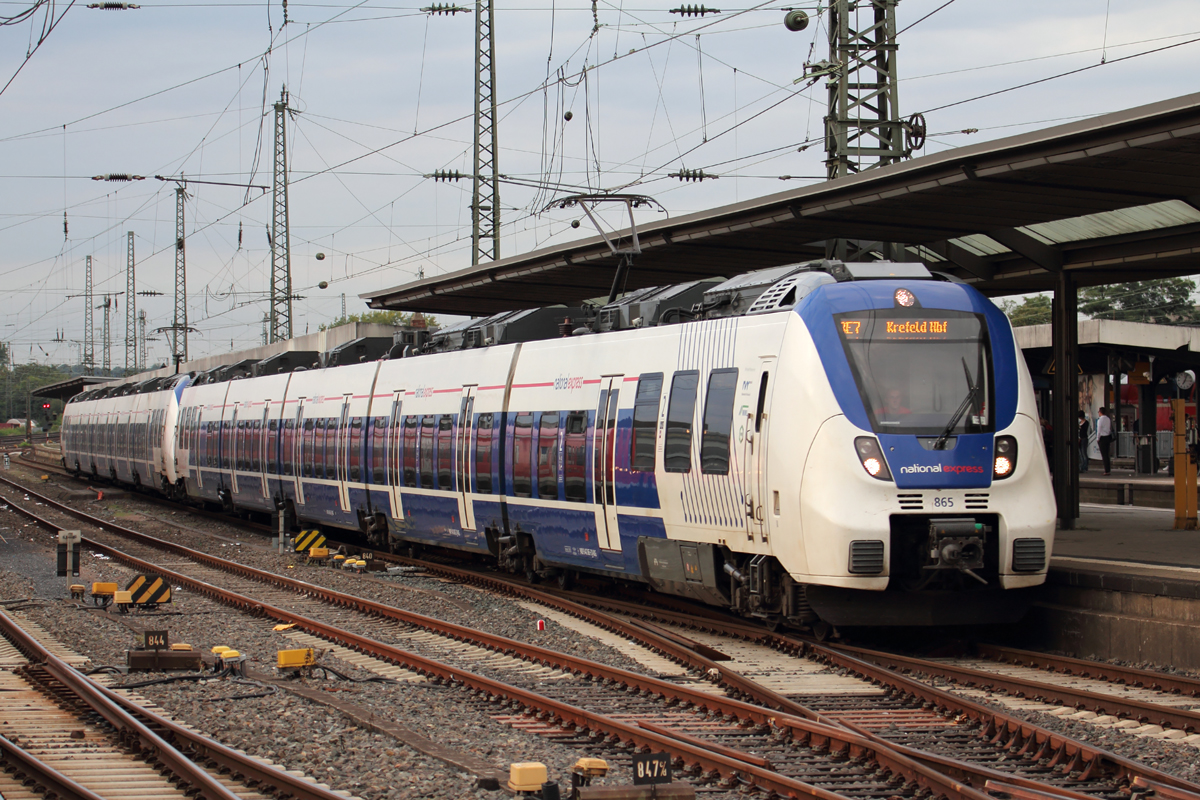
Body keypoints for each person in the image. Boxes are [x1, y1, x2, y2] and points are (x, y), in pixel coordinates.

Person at [1097, 406, 1113, 475]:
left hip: (1102, 438)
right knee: (1107, 454)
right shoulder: (1108, 419)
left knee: (1104, 455)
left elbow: (1099, 430)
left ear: (1100, 412)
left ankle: (1106, 470)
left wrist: (1098, 438)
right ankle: (1108, 469)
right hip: (1108, 437)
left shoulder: (1100, 420)